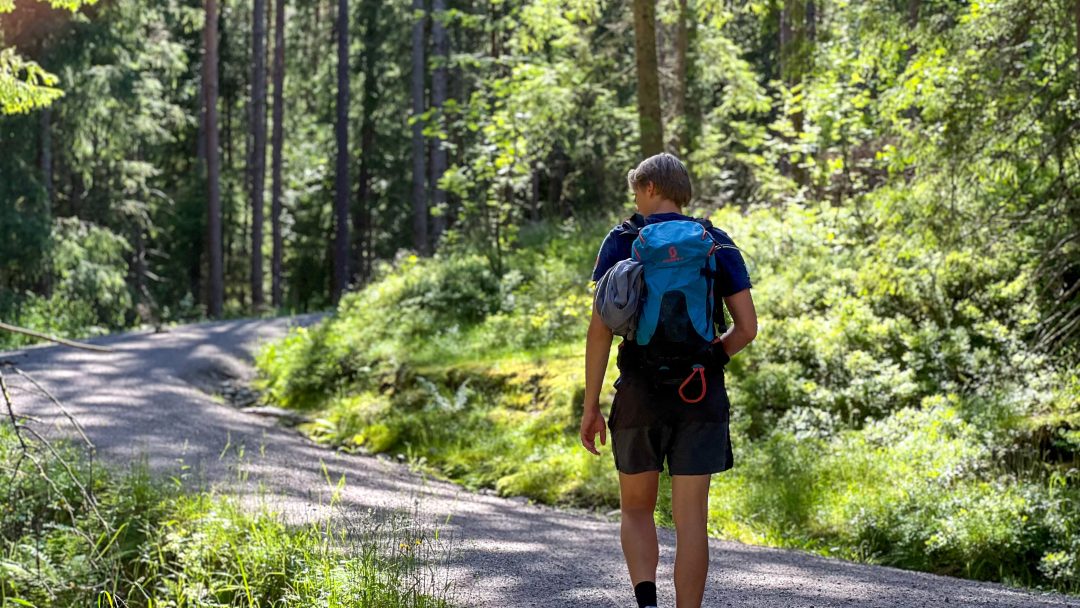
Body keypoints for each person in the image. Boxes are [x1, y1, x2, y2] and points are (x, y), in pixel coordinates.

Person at [580, 153, 758, 608]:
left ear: (651, 189)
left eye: (637, 192)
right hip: (701, 395)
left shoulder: (623, 240)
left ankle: (646, 604)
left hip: (639, 392)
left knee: (637, 509)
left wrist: (590, 407)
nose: (636, 201)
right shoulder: (715, 241)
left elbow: (600, 328)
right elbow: (747, 328)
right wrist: (708, 359)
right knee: (691, 521)